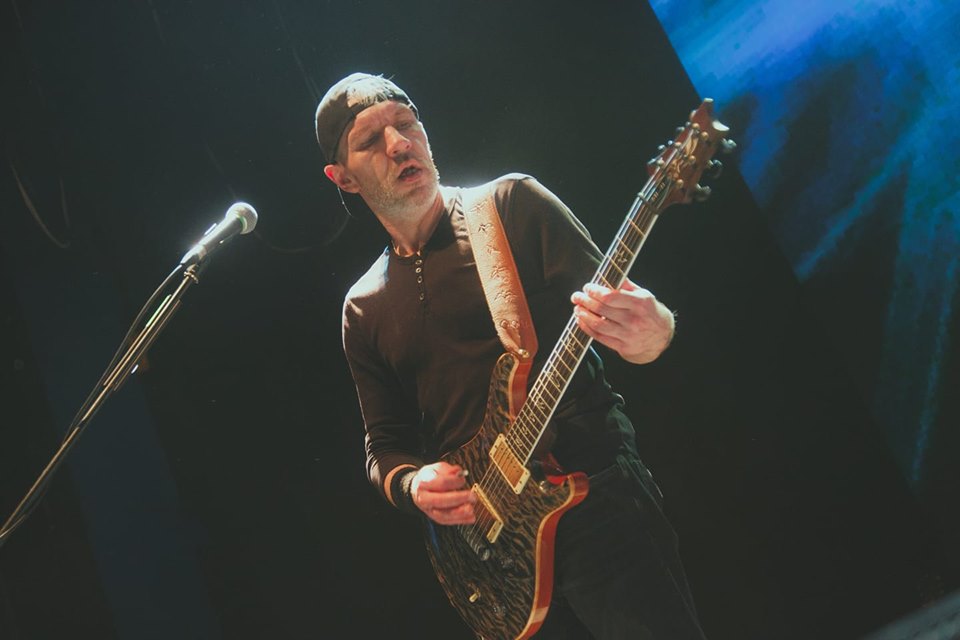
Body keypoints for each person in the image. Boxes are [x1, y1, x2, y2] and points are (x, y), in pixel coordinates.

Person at [316, 72, 706, 639]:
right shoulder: (362, 306)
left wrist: (656, 332)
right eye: (371, 140)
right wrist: (413, 485)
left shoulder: (511, 204)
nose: (398, 143)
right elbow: (384, 446)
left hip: (595, 500)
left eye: (406, 123)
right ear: (343, 178)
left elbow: (621, 312)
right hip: (489, 557)